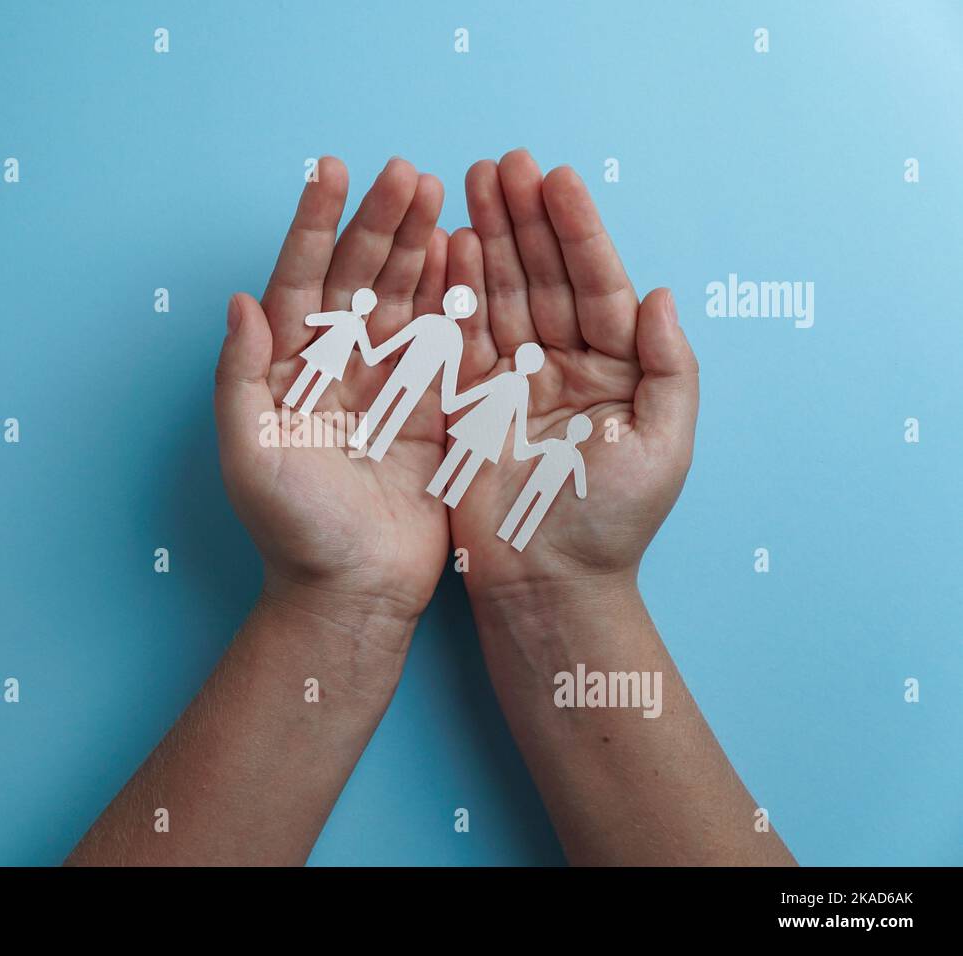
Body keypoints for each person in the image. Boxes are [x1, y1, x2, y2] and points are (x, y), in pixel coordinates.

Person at [66, 152, 796, 867]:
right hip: (424, 408)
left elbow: (459, 376)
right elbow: (437, 362)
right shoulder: (437, 339)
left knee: (422, 436)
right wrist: (343, 593)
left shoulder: (488, 374)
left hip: (480, 434)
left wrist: (562, 584)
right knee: (387, 420)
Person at [347, 284, 476, 461]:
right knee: (396, 411)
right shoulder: (454, 336)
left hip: (407, 373)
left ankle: (363, 441)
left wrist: (376, 354)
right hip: (414, 378)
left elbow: (399, 340)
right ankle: (373, 447)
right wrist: (448, 399)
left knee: (386, 405)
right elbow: (450, 374)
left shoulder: (431, 322)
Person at [426, 341, 544, 508]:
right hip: (488, 425)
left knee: (464, 457)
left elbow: (484, 393)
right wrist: (455, 402)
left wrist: (455, 402)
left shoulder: (514, 381)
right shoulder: (518, 384)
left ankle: (441, 489)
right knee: (465, 458)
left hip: (486, 424)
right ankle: (442, 491)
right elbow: (484, 393)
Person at [499, 413, 591, 550]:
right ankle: (518, 541)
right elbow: (581, 491)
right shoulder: (576, 457)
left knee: (521, 506)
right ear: (584, 437)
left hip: (536, 481)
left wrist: (521, 436)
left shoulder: (553, 444)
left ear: (569, 427)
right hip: (550, 489)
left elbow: (525, 453)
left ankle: (506, 532)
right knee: (535, 514)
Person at [281, 287, 377, 417]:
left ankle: (304, 408)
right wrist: (311, 319)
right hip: (327, 349)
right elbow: (323, 318)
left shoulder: (358, 325)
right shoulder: (346, 316)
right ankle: (292, 399)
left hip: (335, 355)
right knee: (310, 370)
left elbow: (365, 347)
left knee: (321, 378)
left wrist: (311, 319)